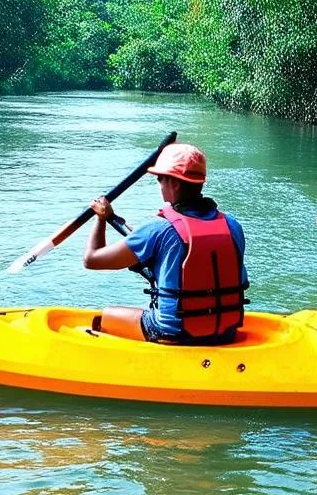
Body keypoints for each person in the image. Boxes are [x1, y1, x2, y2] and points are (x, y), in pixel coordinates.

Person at [83, 142, 249, 344]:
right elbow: (168, 243)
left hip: (172, 334)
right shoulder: (232, 226)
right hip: (226, 332)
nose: (159, 184)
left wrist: (99, 219)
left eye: (160, 179)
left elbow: (92, 259)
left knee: (104, 318)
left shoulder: (158, 229)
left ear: (174, 183)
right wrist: (111, 217)